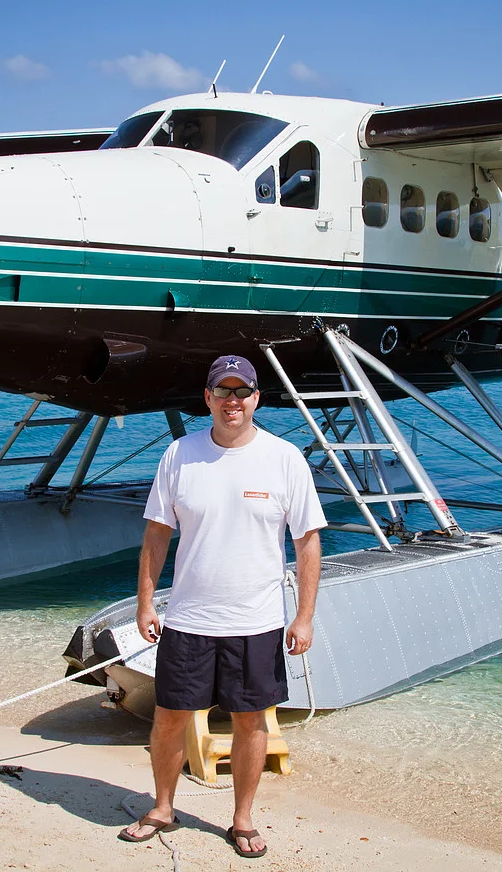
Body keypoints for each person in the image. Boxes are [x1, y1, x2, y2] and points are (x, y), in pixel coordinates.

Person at [118, 355, 326, 859]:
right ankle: (163, 808)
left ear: (256, 398)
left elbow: (308, 540)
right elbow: (157, 532)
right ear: (207, 398)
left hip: (256, 622)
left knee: (251, 721)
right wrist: (146, 603)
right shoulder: (179, 455)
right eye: (222, 391)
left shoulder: (284, 458)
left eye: (242, 391)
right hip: (189, 618)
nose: (232, 400)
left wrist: (304, 615)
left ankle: (242, 819)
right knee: (169, 717)